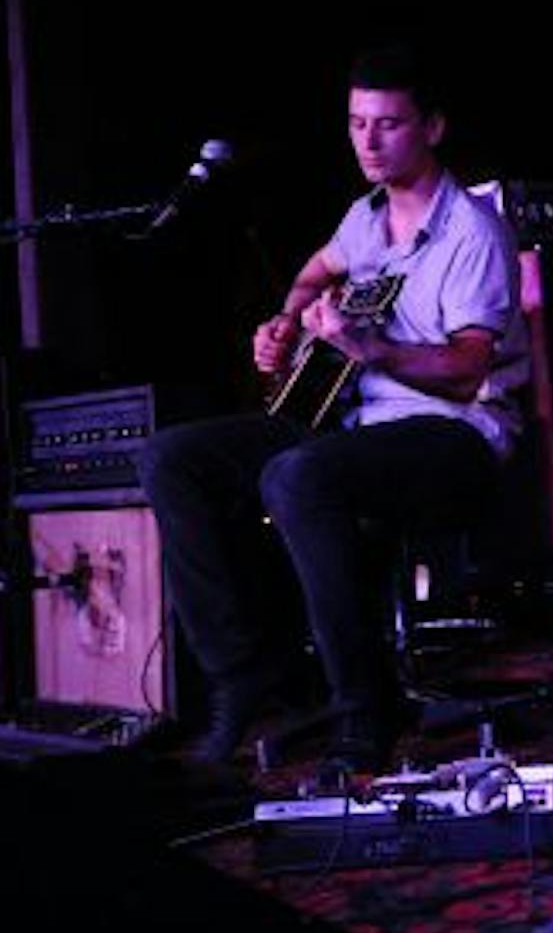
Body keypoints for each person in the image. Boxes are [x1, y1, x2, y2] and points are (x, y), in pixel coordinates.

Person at [137, 44, 530, 771]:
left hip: (456, 436)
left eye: (388, 125)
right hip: (360, 424)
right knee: (172, 459)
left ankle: (363, 708)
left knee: (298, 476)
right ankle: (243, 672)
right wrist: (284, 323)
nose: (368, 143)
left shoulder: (474, 231)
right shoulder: (365, 217)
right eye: (356, 124)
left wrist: (369, 347)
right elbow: (317, 270)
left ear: (433, 128)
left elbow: (468, 372)